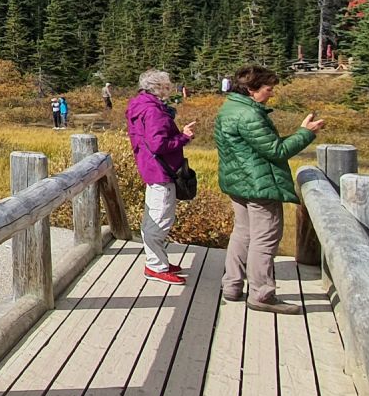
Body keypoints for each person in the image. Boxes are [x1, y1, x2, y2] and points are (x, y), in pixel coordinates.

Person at [215, 65, 325, 313]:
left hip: (238, 183)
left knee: (243, 233)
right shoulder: (249, 115)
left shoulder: (230, 108)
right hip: (260, 185)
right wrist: (306, 134)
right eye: (268, 88)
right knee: (264, 239)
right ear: (251, 89)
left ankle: (232, 285)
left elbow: (263, 146)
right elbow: (277, 151)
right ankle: (261, 295)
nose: (272, 93)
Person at [127, 70, 195, 285]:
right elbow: (158, 145)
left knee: (154, 216)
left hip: (151, 168)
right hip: (160, 171)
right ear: (158, 88)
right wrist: (184, 137)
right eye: (167, 85)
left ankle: (158, 261)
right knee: (160, 219)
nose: (170, 88)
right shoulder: (153, 111)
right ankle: (156, 267)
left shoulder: (140, 105)